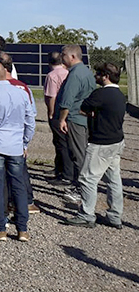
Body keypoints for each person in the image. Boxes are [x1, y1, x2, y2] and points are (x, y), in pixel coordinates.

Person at [0, 62, 36, 242]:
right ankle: (22, 228)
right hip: (16, 145)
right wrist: (25, 142)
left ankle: (0, 226)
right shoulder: (21, 92)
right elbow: (30, 121)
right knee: (18, 185)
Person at [64, 63, 127, 229]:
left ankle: (86, 214)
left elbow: (83, 107)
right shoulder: (120, 95)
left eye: (98, 74)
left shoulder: (101, 94)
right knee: (113, 179)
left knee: (87, 178)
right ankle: (115, 215)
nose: (95, 76)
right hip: (117, 141)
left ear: (105, 76)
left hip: (101, 142)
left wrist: (93, 112)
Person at [55, 44, 95, 204]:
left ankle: (81, 190)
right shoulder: (85, 72)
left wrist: (62, 119)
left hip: (74, 119)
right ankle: (80, 186)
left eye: (63, 54)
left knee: (78, 155)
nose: (61, 57)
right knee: (79, 153)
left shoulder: (75, 75)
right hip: (81, 118)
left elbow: (67, 100)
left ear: (72, 56)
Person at [44, 52, 71, 184]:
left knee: (60, 143)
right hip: (67, 112)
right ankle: (59, 168)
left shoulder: (52, 76)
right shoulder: (68, 73)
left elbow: (51, 96)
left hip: (57, 113)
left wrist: (51, 112)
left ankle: (65, 173)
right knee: (61, 142)